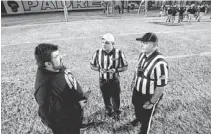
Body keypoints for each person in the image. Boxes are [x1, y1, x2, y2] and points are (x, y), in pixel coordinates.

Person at [34, 43, 89, 134]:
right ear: (48, 64)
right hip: (65, 126)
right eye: (56, 56)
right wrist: (78, 105)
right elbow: (53, 116)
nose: (61, 57)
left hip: (74, 115)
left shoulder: (56, 66)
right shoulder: (46, 88)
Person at [131, 33, 169, 134]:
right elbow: (137, 70)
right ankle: (139, 118)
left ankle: (144, 130)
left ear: (154, 45)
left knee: (147, 117)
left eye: (145, 43)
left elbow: (161, 87)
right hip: (138, 91)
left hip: (149, 95)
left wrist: (152, 102)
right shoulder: (142, 55)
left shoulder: (160, 63)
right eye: (141, 42)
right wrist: (134, 82)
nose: (141, 45)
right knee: (137, 107)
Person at [90, 33, 128, 119]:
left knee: (116, 96)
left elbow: (125, 66)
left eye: (107, 43)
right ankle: (109, 110)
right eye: (103, 42)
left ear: (112, 44)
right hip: (102, 79)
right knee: (105, 96)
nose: (104, 44)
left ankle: (117, 111)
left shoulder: (119, 53)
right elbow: (92, 65)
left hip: (114, 79)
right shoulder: (97, 53)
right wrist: (99, 69)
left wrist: (116, 70)